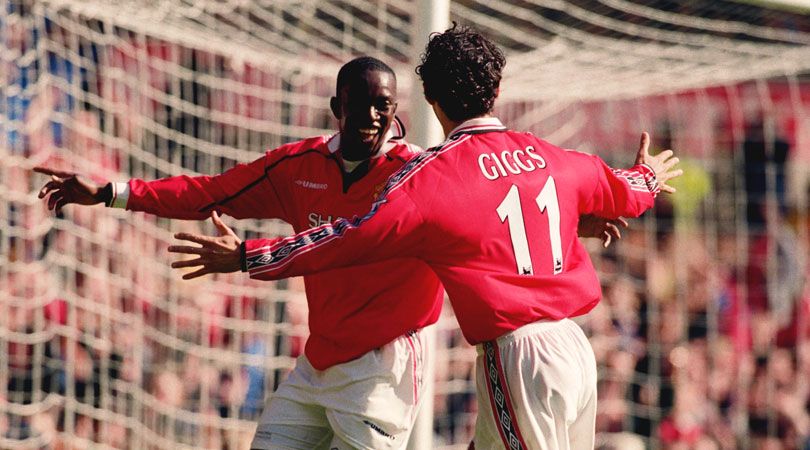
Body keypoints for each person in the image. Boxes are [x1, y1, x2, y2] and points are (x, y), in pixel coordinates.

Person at [36, 55, 627, 450]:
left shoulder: (422, 177)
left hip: (385, 365)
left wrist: (576, 225)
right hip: (318, 363)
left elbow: (492, 220)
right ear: (335, 109)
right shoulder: (297, 168)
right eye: (363, 103)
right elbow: (209, 192)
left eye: (385, 106)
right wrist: (115, 193)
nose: (375, 117)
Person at [168, 25, 681, 450]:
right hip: (575, 349)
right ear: (497, 91)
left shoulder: (431, 179)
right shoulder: (549, 154)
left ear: (430, 100)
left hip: (518, 357)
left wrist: (247, 256)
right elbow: (623, 190)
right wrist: (649, 176)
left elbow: (345, 237)